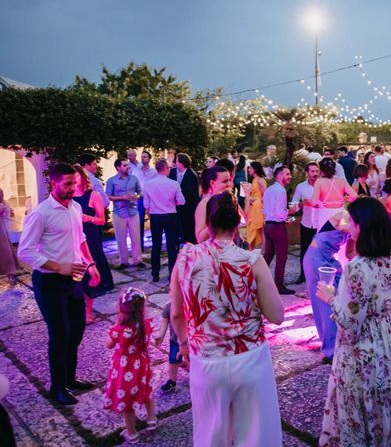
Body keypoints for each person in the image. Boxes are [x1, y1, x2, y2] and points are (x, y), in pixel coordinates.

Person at [170, 191, 285, 446]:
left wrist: (184, 343)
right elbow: (277, 315)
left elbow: (176, 313)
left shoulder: (186, 257)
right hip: (250, 358)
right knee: (257, 436)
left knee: (211, 435)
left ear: (208, 223)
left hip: (206, 359)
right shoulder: (251, 259)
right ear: (238, 224)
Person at [315, 197, 391, 446]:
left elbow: (349, 320)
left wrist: (330, 298)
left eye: (352, 222)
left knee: (358, 397)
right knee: (382, 395)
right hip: (385, 339)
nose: (348, 226)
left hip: (360, 348)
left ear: (362, 227)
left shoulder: (356, 268)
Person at [17, 163, 100, 405]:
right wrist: (58, 266)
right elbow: (26, 251)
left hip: (74, 279)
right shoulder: (41, 213)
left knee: (76, 330)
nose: (73, 188)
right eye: (68, 184)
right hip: (49, 282)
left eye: (75, 183)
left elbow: (81, 239)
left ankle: (70, 379)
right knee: (60, 335)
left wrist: (92, 265)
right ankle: (57, 387)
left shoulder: (74, 207)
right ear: (54, 183)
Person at [104, 287, 157, 443]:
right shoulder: (146, 325)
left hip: (125, 368)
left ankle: (132, 433)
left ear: (121, 308)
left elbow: (108, 345)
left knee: (126, 400)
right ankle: (151, 419)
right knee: (146, 391)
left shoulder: (118, 330)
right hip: (142, 364)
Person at [303, 210, 351, 362]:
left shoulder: (355, 226)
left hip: (330, 261)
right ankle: (331, 351)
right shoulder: (344, 215)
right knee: (325, 305)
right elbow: (344, 227)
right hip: (315, 259)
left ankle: (340, 342)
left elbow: (350, 253)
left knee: (340, 298)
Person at [72, 165, 114, 323]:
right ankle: (77, 308)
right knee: (76, 274)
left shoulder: (93, 195)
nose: (74, 181)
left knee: (90, 273)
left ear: (83, 177)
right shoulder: (67, 197)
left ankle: (88, 312)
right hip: (73, 237)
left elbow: (102, 220)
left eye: (76, 176)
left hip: (90, 236)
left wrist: (87, 218)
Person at [144, 159, 185, 282]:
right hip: (170, 215)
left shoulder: (148, 184)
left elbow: (146, 204)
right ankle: (172, 273)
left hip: (155, 216)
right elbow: (182, 201)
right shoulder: (174, 184)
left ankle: (155, 273)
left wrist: (150, 213)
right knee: (171, 245)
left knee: (156, 245)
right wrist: (172, 203)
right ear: (165, 168)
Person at [263, 166, 297, 295]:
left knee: (268, 255)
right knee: (281, 257)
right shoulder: (281, 191)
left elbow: (269, 211)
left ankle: (257, 281)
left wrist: (287, 218)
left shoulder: (269, 190)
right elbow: (279, 213)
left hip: (268, 226)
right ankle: (279, 286)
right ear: (279, 175)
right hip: (277, 228)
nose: (290, 176)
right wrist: (291, 212)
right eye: (287, 174)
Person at [106, 158, 144, 269]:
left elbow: (140, 192)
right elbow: (108, 196)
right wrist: (122, 197)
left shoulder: (134, 178)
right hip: (119, 212)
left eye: (127, 165)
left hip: (133, 211)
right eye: (125, 165)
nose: (128, 167)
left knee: (136, 238)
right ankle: (124, 261)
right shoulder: (111, 181)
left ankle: (138, 260)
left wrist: (137, 196)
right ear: (118, 167)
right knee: (121, 238)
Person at [291, 162, 320, 284]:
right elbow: (293, 205)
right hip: (306, 224)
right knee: (305, 251)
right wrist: (302, 204)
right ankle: (303, 275)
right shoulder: (301, 187)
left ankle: (318, 276)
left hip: (320, 225)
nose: (315, 174)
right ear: (307, 173)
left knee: (319, 252)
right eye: (312, 171)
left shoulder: (323, 185)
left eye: (317, 171)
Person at [310, 158, 357, 231]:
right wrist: (345, 199)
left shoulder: (319, 182)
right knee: (339, 239)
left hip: (325, 213)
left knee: (324, 238)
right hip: (340, 212)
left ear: (321, 170)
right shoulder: (342, 181)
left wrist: (319, 203)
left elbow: (313, 203)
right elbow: (355, 196)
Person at [195, 166, 232, 244]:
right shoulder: (204, 204)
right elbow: (200, 238)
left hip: (230, 250)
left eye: (230, 180)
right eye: (225, 181)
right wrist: (216, 219)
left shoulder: (230, 200)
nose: (229, 184)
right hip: (213, 252)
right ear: (212, 183)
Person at [169, 153, 200, 246]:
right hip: (175, 206)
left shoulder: (191, 174)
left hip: (188, 206)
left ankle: (190, 245)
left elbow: (189, 191)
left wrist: (176, 194)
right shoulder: (173, 172)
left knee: (188, 227)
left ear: (182, 163)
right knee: (176, 227)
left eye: (177, 161)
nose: (175, 163)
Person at [131, 151, 158, 251]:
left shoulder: (154, 172)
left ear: (149, 159)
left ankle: (156, 244)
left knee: (154, 221)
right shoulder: (136, 171)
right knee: (139, 222)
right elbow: (132, 184)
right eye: (142, 157)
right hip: (140, 199)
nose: (143, 159)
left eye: (145, 157)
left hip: (152, 199)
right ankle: (140, 246)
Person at [155, 302, 182, 393]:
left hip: (190, 340)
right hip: (175, 340)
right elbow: (164, 322)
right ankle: (172, 381)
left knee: (193, 360)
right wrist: (161, 336)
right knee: (173, 360)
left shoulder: (190, 304)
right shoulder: (168, 307)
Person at [245, 161, 267, 250]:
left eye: (250, 168)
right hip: (253, 206)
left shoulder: (260, 180)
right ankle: (255, 247)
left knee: (262, 229)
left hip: (259, 207)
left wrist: (258, 201)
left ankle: (264, 249)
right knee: (254, 228)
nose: (249, 170)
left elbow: (265, 195)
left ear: (255, 169)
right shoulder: (253, 180)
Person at [0, 188, 19, 286]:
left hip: (1, 231)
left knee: (6, 254)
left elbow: (6, 211)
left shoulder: (3, 204)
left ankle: (10, 274)